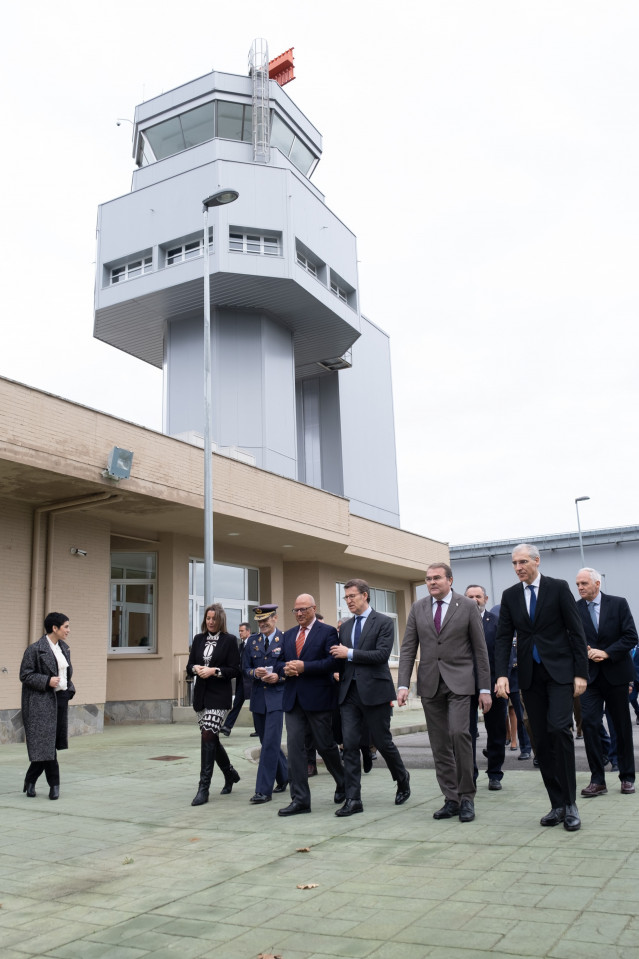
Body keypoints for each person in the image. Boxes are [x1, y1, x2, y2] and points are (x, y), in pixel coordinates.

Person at [494, 544, 588, 831]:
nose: (518, 567)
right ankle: (556, 804)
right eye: (514, 563)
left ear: (536, 561)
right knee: (541, 739)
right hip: (530, 676)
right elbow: (502, 637)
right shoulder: (510, 595)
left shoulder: (558, 588)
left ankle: (571, 804)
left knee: (560, 729)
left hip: (559, 673)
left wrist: (580, 673)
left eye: (523, 561)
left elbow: (576, 630)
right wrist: (501, 675)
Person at [398, 563, 491, 823]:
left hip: (461, 683)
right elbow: (408, 648)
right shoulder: (418, 608)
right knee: (439, 744)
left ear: (450, 580)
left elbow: (480, 650)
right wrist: (403, 684)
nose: (431, 582)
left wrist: (484, 688)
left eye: (437, 578)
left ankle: (467, 797)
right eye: (428, 579)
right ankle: (451, 798)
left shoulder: (468, 606)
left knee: (460, 734)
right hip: (430, 684)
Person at [330, 578, 410, 816]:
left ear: (365, 595)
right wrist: (337, 669)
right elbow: (341, 659)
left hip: (375, 691)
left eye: (352, 596)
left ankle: (402, 778)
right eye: (345, 598)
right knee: (351, 745)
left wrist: (350, 653)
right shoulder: (344, 627)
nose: (348, 601)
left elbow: (382, 655)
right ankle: (354, 799)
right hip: (349, 694)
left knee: (383, 741)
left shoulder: (384, 622)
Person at [276, 593, 345, 816]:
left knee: (325, 745)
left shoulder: (327, 632)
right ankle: (300, 800)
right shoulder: (288, 635)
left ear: (314, 608)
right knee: (295, 749)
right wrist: (283, 669)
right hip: (293, 699)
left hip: (319, 698)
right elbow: (278, 663)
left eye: (303, 609)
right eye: (296, 610)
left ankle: (342, 781)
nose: (299, 614)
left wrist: (305, 667)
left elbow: (333, 662)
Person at [575, 567, 637, 797]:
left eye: (584, 583)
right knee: (590, 724)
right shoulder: (575, 608)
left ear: (597, 584)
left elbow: (631, 636)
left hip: (616, 675)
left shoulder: (618, 604)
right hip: (589, 678)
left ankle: (627, 777)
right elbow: (571, 639)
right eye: (578, 584)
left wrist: (607, 653)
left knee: (620, 726)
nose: (580, 587)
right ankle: (597, 779)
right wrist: (585, 650)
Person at [186, 604, 241, 806]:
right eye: (208, 618)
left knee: (208, 735)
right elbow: (189, 666)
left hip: (219, 696)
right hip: (201, 696)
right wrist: (196, 668)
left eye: (214, 619)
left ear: (221, 621)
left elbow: (235, 669)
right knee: (211, 739)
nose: (210, 622)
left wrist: (214, 671)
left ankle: (203, 788)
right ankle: (230, 774)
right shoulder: (198, 639)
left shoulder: (229, 640)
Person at [20, 612, 75, 800]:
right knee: (48, 747)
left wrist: (69, 690)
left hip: (60, 701)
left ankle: (30, 780)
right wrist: (47, 681)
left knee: (49, 745)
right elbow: (25, 675)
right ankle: (54, 785)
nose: (68, 630)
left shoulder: (64, 649)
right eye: (66, 626)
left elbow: (67, 674)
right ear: (55, 628)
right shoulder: (34, 649)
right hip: (40, 703)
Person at [242, 605, 289, 804]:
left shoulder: (285, 640)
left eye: (266, 621)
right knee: (267, 742)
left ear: (275, 618)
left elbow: (290, 667)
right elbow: (245, 668)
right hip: (259, 700)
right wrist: (255, 673)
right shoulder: (252, 641)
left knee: (269, 744)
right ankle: (285, 776)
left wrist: (278, 677)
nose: (262, 624)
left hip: (277, 698)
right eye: (259, 621)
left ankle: (263, 790)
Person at [464, 585, 507, 791]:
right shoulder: (457, 622)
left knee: (496, 729)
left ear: (486, 598)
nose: (474, 600)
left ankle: (495, 774)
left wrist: (501, 679)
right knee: (466, 732)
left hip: (493, 684)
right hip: (464, 685)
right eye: (470, 596)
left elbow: (502, 653)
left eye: (478, 596)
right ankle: (469, 774)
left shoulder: (497, 622)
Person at [219, 621, 252, 737]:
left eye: (242, 631)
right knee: (237, 703)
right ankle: (227, 727)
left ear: (248, 631)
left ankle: (259, 729)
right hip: (242, 680)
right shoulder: (241, 645)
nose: (240, 633)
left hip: (252, 680)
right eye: (239, 631)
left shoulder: (254, 643)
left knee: (256, 706)